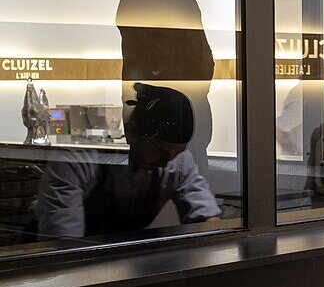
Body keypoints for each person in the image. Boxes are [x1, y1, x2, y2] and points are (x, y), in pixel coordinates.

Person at [30, 83, 220, 241]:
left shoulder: (178, 161)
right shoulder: (77, 160)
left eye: (177, 153)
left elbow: (206, 216)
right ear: (132, 132)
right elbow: (63, 242)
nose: (165, 163)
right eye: (159, 151)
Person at [116, 0, 215, 174]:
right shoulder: (181, 2)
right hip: (183, 110)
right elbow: (203, 60)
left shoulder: (129, 0)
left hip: (141, 108)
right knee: (189, 187)